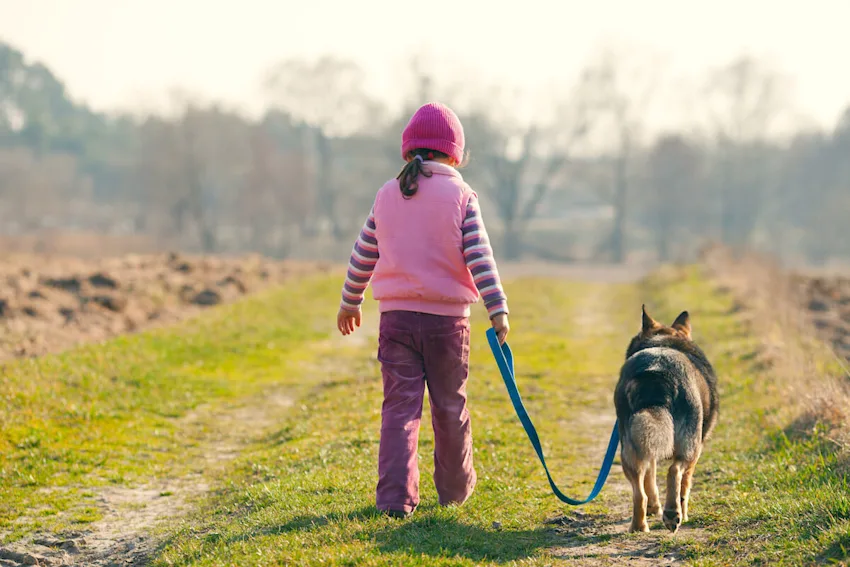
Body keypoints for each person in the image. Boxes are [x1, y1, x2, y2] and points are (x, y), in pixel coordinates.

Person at [336, 102, 510, 519]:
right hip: (448, 325)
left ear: (410, 150)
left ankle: (395, 499)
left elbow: (364, 252)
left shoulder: (387, 193)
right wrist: (497, 307)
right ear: (454, 154)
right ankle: (454, 491)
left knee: (399, 409)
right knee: (450, 407)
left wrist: (350, 299)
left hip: (395, 321)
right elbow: (480, 257)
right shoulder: (462, 196)